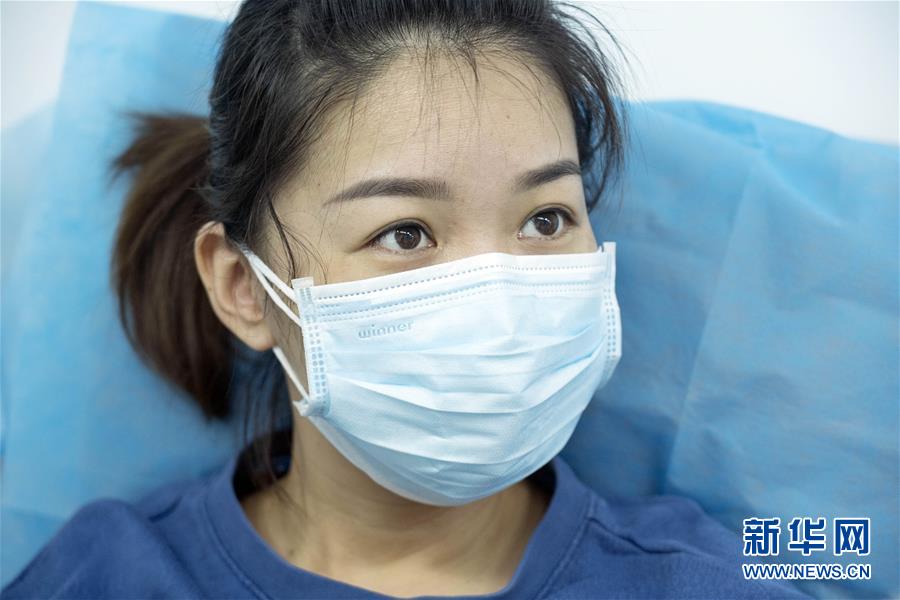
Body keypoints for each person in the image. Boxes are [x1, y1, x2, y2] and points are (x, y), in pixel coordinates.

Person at [2, 0, 810, 598]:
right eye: (406, 233)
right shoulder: (104, 577)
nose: (498, 304)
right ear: (243, 287)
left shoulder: (703, 582)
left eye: (546, 218)